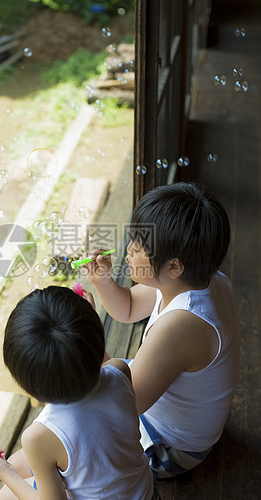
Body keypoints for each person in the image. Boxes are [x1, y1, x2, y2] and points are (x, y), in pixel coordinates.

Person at [0, 285, 159, 500]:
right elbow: (98, 366)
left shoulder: (41, 437)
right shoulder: (119, 370)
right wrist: (85, 324)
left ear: (31, 388)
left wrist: (4, 470)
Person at [83, 182, 241, 479]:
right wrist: (104, 282)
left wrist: (88, 334)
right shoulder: (197, 280)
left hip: (170, 447)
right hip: (173, 415)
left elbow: (123, 404)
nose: (128, 250)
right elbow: (128, 307)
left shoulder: (181, 324)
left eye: (138, 246)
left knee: (74, 423)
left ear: (174, 266)